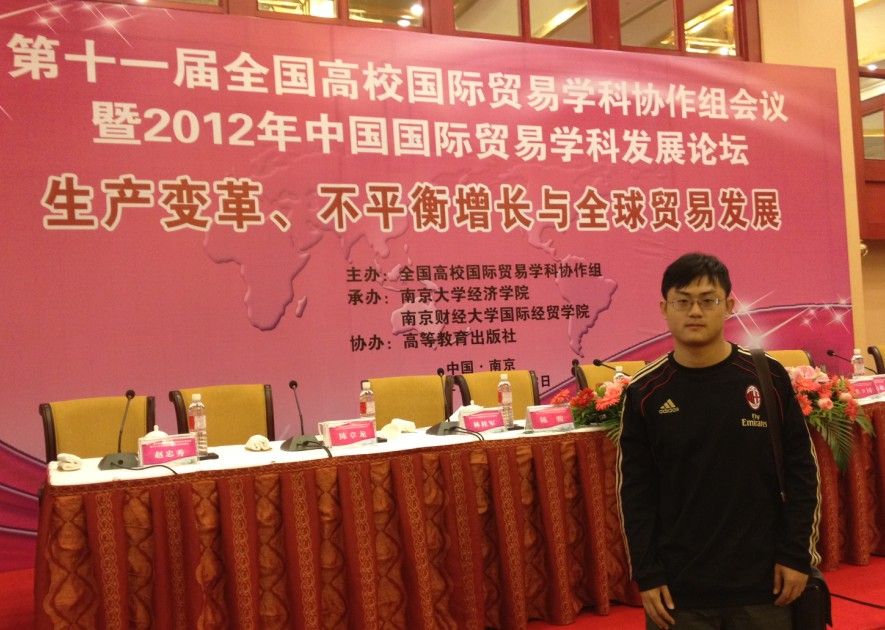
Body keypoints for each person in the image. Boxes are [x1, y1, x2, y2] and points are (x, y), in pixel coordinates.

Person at [617, 252, 820, 630]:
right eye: (683, 301)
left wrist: (796, 555)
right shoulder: (646, 392)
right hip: (679, 592)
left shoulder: (767, 377)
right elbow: (636, 492)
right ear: (664, 309)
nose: (695, 311)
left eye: (708, 300)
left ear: (728, 306)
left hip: (765, 586)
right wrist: (647, 573)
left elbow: (802, 471)